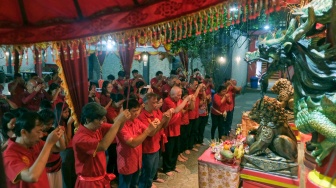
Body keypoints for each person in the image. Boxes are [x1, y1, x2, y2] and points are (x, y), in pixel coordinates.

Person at [73, 102, 131, 188]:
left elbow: (116, 128)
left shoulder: (97, 127)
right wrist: (119, 120)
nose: (101, 122)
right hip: (89, 183)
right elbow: (103, 146)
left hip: (100, 179)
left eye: (102, 119)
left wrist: (123, 119)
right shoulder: (80, 138)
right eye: (99, 120)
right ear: (88, 119)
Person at [3, 111, 64, 188]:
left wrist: (59, 135)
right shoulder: (8, 155)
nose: (41, 135)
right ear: (24, 132)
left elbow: (60, 148)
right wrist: (49, 143)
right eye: (38, 131)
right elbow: (31, 176)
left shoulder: (35, 143)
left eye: (42, 131)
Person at [116, 99, 159, 188]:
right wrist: (148, 130)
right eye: (133, 111)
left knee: (134, 185)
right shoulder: (121, 126)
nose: (136, 113)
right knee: (125, 185)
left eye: (137, 110)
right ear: (126, 112)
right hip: (127, 163)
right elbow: (132, 143)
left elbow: (151, 133)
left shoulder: (136, 121)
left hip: (137, 161)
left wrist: (156, 124)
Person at [138, 93, 173, 188]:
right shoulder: (142, 116)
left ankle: (148, 185)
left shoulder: (155, 112)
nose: (155, 105)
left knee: (153, 171)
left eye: (156, 102)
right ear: (145, 104)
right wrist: (162, 120)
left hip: (156, 146)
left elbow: (163, 127)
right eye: (153, 103)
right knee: (146, 173)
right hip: (147, 149)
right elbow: (151, 133)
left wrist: (167, 118)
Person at [162, 86, 193, 176]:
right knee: (169, 150)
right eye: (178, 95)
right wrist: (186, 99)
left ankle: (173, 166)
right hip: (169, 128)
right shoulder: (167, 100)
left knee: (176, 148)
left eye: (180, 95)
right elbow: (176, 110)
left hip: (177, 128)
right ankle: (167, 168)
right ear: (171, 94)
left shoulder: (178, 100)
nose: (180, 97)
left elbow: (189, 107)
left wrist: (191, 100)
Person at [39, 109, 66, 188]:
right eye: (48, 124)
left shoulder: (51, 131)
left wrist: (60, 135)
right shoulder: (38, 135)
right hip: (46, 169)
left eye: (51, 123)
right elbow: (51, 150)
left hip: (57, 165)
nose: (50, 126)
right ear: (41, 123)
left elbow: (62, 147)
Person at [55, 102, 76, 188]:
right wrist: (69, 124)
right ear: (59, 112)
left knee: (72, 174)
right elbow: (66, 142)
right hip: (65, 152)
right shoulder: (58, 126)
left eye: (68, 111)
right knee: (67, 176)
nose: (67, 114)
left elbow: (69, 138)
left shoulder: (64, 122)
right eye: (65, 112)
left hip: (70, 150)